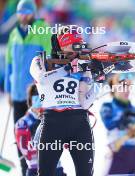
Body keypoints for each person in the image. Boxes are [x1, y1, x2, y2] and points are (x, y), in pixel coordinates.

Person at [30, 26, 98, 176]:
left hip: (79, 124)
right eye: (73, 44)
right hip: (52, 125)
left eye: (79, 44)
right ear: (62, 44)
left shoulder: (82, 65)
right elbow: (41, 78)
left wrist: (98, 80)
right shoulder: (40, 60)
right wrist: (67, 68)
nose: (77, 50)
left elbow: (85, 103)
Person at [4, 0, 51, 174]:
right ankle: (26, 171)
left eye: (26, 12)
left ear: (33, 12)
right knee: (20, 135)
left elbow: (49, 60)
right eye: (20, 12)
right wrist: (8, 89)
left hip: (35, 93)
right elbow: (9, 64)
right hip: (17, 93)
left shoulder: (43, 30)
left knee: (37, 134)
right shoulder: (14, 34)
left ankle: (41, 168)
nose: (23, 16)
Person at [100, 73, 135, 175]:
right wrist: (123, 119)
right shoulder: (107, 107)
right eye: (123, 87)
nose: (127, 90)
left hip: (134, 153)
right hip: (117, 154)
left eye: (129, 87)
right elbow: (109, 124)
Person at [15, 84, 67, 176]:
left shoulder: (53, 119)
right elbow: (27, 151)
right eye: (37, 99)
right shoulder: (23, 124)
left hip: (56, 168)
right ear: (31, 101)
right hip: (36, 169)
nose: (40, 106)